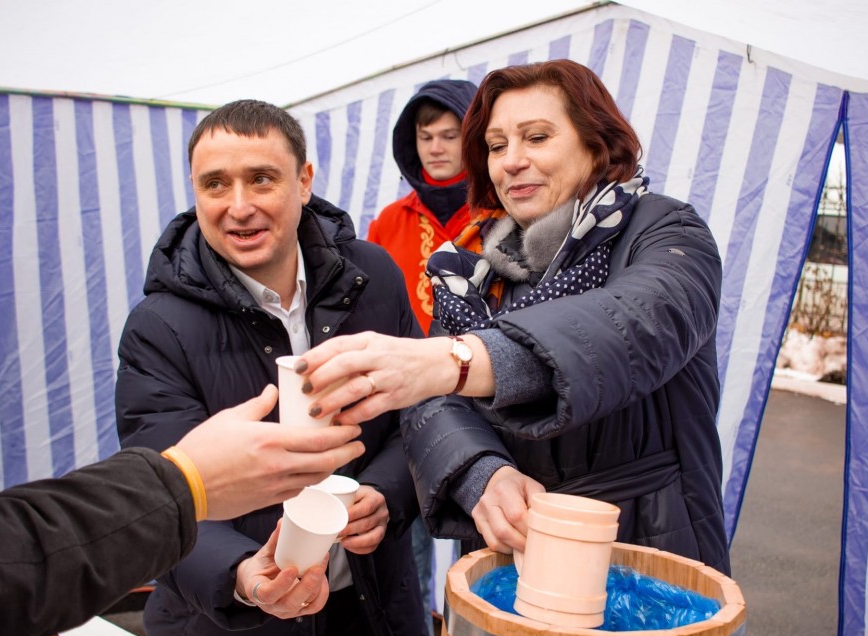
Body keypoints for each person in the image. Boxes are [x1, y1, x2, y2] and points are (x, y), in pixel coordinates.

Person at [293, 60, 731, 576]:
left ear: (596, 144)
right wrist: (480, 472)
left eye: (537, 138)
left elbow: (637, 323)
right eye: (497, 146)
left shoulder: (666, 228)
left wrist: (458, 361)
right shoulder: (481, 266)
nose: (512, 162)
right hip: (506, 553)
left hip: (647, 546)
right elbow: (433, 403)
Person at [115, 100, 432, 636]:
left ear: (304, 181)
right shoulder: (159, 328)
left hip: (375, 615)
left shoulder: (374, 277)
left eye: (261, 178)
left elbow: (422, 413)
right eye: (215, 184)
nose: (239, 207)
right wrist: (241, 574)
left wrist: (386, 494)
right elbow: (161, 491)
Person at [0, 386, 365, 636]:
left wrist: (382, 491)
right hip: (214, 634)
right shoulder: (160, 324)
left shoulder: (372, 286)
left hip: (366, 623)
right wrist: (184, 484)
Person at [365, 78, 498, 636]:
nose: (437, 147)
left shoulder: (505, 213)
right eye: (426, 136)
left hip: (492, 413)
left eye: (450, 134)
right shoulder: (388, 222)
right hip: (406, 418)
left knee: (487, 557)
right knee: (407, 557)